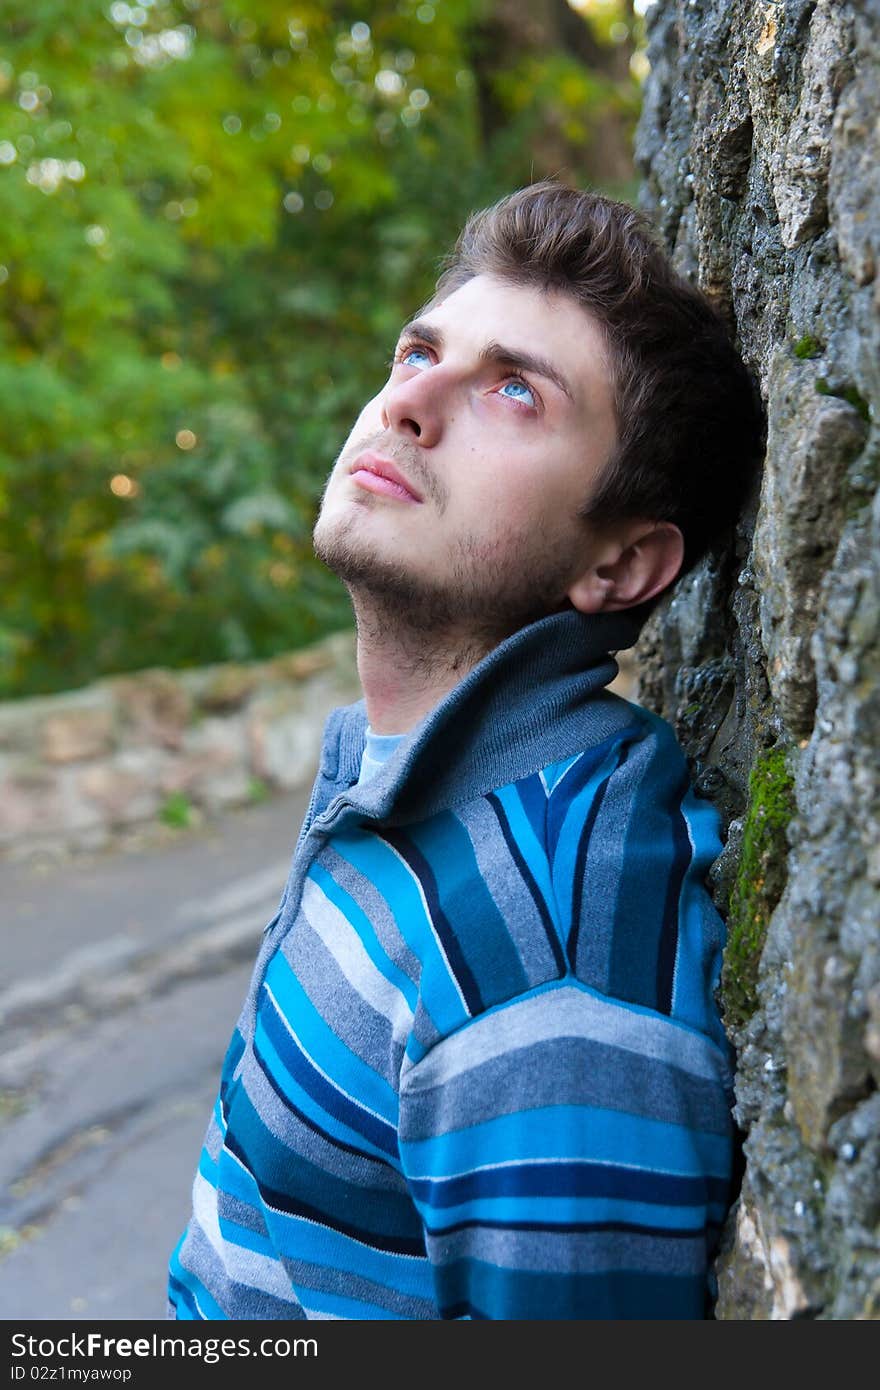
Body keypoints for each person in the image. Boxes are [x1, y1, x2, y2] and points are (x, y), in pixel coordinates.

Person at [167, 179, 764, 1321]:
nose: (408, 402)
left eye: (512, 391)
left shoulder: (543, 981)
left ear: (622, 565)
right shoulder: (405, 783)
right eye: (416, 352)